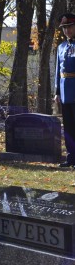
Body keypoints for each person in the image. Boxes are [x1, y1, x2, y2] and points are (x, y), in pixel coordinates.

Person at [54, 13, 75, 168]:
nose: (67, 30)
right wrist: (57, 92)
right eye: (65, 28)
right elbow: (57, 72)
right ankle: (71, 156)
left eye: (70, 27)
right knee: (68, 126)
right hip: (65, 91)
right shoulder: (61, 47)